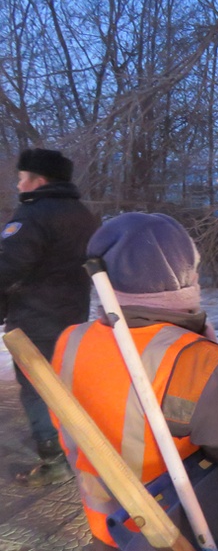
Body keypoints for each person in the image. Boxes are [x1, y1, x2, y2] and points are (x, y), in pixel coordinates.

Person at [50, 212, 218, 550]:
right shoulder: (194, 358)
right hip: (172, 527)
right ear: (183, 278)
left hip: (103, 522)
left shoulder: (71, 339)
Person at [0, 148, 99, 487]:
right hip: (73, 316)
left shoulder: (31, 215)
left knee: (37, 387)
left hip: (34, 319)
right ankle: (77, 448)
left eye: (21, 179)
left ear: (38, 181)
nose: (18, 186)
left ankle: (55, 460)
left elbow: (7, 267)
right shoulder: (84, 214)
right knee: (65, 385)